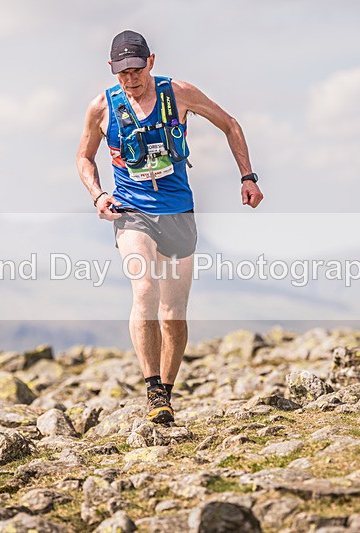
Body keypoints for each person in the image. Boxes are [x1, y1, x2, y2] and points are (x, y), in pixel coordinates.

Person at [76, 30, 263, 425]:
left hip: (178, 211)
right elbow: (84, 157)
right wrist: (97, 195)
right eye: (121, 71)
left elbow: (229, 123)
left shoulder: (177, 93)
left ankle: (167, 394)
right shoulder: (101, 107)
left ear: (151, 62)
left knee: (173, 311)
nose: (130, 78)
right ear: (112, 70)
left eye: (136, 68)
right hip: (132, 211)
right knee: (144, 287)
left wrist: (248, 176)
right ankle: (152, 389)